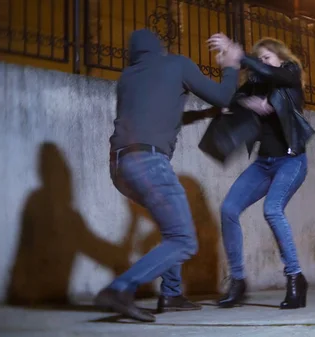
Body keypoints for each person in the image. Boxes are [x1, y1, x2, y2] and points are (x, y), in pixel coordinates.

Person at [94, 29, 243, 322]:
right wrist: (231, 66)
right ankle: (120, 289)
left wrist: (201, 115)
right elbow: (225, 96)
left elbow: (158, 115)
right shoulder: (176, 64)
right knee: (183, 239)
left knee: (170, 226)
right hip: (148, 163)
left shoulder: (128, 78)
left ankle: (172, 293)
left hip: (121, 167)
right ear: (158, 47)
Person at [208, 37, 315, 310]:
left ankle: (294, 277)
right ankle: (238, 281)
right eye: (261, 59)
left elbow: (272, 73)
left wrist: (242, 55)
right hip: (263, 164)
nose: (263, 64)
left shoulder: (289, 74)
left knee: (272, 209)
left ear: (280, 58)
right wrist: (235, 80)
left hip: (291, 161)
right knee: (229, 209)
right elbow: (230, 101)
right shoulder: (256, 85)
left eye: (267, 57)